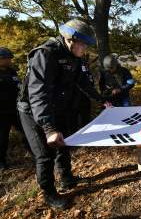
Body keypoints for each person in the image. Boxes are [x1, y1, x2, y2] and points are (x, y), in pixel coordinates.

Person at [17, 19, 105, 209]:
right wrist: (48, 128)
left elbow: (83, 82)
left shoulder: (76, 57)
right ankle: (49, 193)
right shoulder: (46, 54)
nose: (85, 49)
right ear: (71, 40)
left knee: (64, 144)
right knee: (44, 154)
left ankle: (66, 178)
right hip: (33, 111)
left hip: (57, 107)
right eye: (83, 44)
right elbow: (38, 93)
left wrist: (100, 99)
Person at [0, 48, 21, 169]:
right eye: (6, 58)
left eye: (9, 58)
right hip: (1, 113)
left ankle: (37, 155)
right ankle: (1, 162)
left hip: (15, 109)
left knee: (26, 133)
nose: (9, 60)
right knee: (2, 138)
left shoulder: (12, 72)